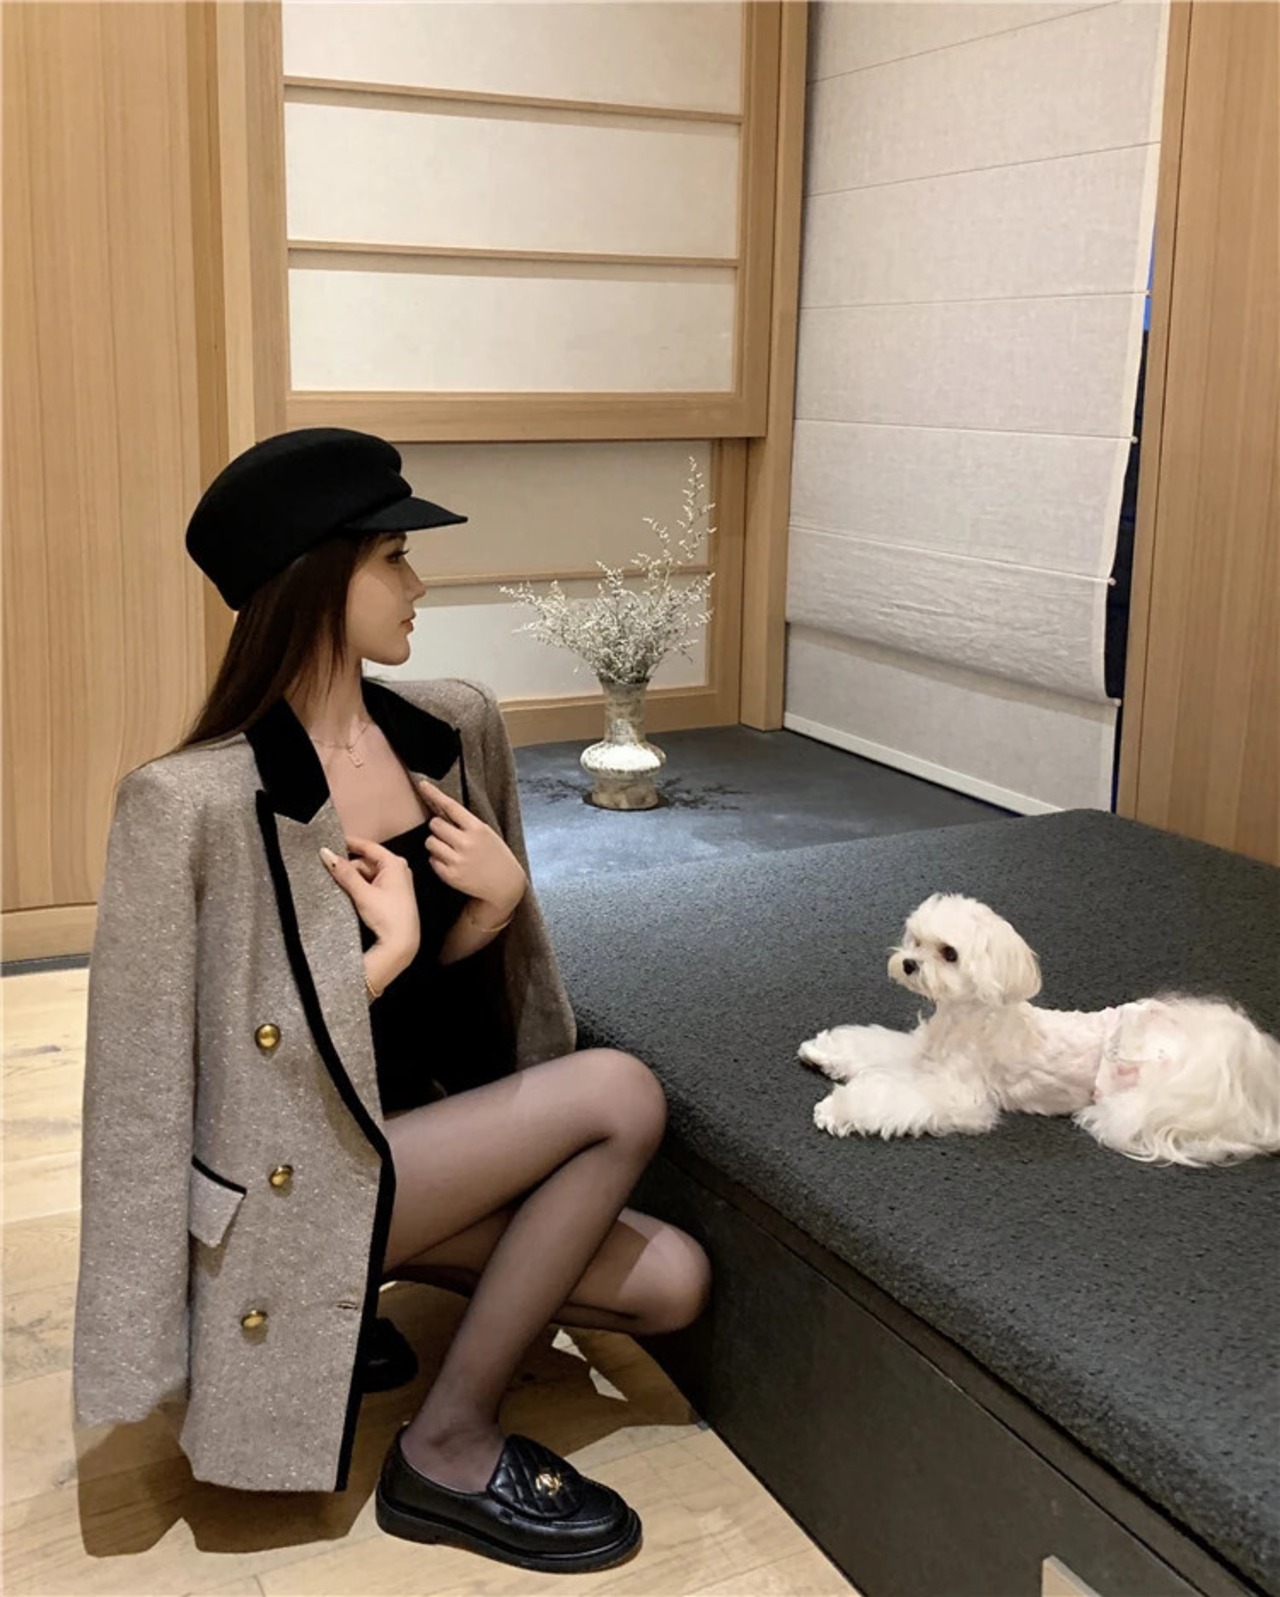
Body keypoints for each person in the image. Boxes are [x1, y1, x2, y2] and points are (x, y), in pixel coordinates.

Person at [71, 427, 711, 1575]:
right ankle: (448, 1446)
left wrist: (485, 916)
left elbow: (475, 1012)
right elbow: (142, 1097)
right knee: (619, 1091)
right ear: (314, 578)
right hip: (297, 1179)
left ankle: (366, 1286)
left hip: (420, 1145)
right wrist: (380, 956)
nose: (419, 584)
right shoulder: (187, 802)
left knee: (672, 1284)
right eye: (392, 558)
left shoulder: (452, 726)